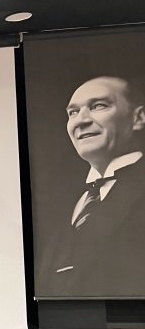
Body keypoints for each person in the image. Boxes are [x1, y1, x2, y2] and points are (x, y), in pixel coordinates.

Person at [39, 76, 145, 296]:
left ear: (138, 118)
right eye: (73, 112)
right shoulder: (56, 200)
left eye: (98, 106)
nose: (80, 121)